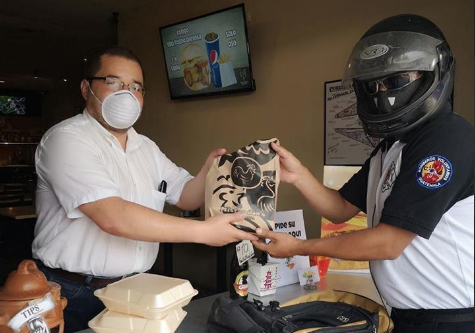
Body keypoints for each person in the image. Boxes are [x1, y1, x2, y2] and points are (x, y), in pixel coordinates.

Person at [253, 14, 474, 333]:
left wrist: (299, 247)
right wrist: (298, 174)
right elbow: (340, 209)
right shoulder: (391, 147)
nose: (383, 94)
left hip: (451, 319)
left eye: (396, 82)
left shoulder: (448, 139)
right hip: (409, 315)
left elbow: (388, 242)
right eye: (373, 85)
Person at [32, 46, 257, 333]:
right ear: (86, 88)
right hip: (73, 291)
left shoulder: (145, 147)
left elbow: (185, 195)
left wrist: (212, 172)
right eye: (113, 82)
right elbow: (113, 216)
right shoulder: (65, 140)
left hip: (136, 288)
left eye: (136, 87)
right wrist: (203, 232)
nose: (127, 93)